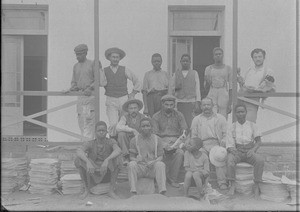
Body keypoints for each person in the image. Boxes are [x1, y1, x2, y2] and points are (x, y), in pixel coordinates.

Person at [99, 47, 142, 137]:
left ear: (120, 58)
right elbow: (102, 83)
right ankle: (113, 143)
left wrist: (133, 93)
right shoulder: (105, 70)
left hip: (123, 98)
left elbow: (137, 81)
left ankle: (124, 142)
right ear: (109, 58)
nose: (115, 59)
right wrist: (99, 70)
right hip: (111, 99)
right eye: (113, 57)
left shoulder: (124, 69)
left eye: (117, 57)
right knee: (113, 124)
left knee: (123, 122)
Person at [74, 121, 122, 199]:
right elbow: (79, 150)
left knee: (118, 159)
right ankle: (86, 190)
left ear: (107, 132)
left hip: (106, 170)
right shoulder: (90, 143)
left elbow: (118, 150)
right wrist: (88, 161)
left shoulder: (111, 141)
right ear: (95, 132)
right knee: (78, 160)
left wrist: (107, 160)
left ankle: (111, 191)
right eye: (99, 130)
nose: (101, 132)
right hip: (93, 169)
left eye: (103, 130)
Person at [226, 104, 264, 199]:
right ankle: (232, 184)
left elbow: (258, 142)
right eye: (238, 112)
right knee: (230, 161)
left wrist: (253, 150)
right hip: (237, 151)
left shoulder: (252, 125)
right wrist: (232, 150)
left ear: (246, 113)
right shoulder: (232, 127)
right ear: (235, 114)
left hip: (249, 150)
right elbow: (229, 143)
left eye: (242, 111)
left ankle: (256, 185)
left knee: (260, 160)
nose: (240, 114)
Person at [190, 97, 228, 190]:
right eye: (204, 105)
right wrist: (197, 147)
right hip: (202, 144)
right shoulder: (196, 119)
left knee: (220, 156)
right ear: (201, 106)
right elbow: (193, 136)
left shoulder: (220, 118)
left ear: (213, 106)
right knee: (201, 157)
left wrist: (222, 143)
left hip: (216, 143)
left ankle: (222, 182)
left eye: (208, 105)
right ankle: (203, 184)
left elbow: (226, 134)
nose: (206, 107)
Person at [152, 94, 188, 188]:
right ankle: (158, 179)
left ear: (174, 105)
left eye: (171, 105)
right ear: (162, 104)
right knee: (157, 153)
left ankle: (172, 179)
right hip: (161, 141)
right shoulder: (156, 116)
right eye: (166, 104)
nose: (169, 107)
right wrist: (164, 145)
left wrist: (180, 140)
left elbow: (184, 130)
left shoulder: (179, 115)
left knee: (180, 153)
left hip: (176, 140)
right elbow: (155, 134)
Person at [66, 44, 101, 140]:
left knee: (89, 120)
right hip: (80, 96)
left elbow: (98, 79)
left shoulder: (92, 64)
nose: (77, 57)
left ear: (85, 53)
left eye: (80, 54)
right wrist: (71, 89)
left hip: (90, 96)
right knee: (81, 119)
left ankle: (89, 145)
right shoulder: (76, 66)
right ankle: (84, 144)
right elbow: (74, 82)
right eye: (76, 54)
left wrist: (90, 87)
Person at [128, 117, 167, 195]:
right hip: (140, 167)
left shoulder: (157, 139)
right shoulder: (134, 140)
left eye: (148, 126)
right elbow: (131, 157)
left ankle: (162, 191)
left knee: (161, 164)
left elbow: (160, 157)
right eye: (143, 126)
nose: (145, 128)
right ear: (140, 128)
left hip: (152, 168)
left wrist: (154, 161)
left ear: (151, 127)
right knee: (131, 164)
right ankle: (133, 191)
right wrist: (136, 160)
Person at [237, 48, 275, 122]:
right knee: (240, 123)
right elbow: (244, 85)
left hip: (253, 100)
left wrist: (257, 90)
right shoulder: (249, 70)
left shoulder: (268, 71)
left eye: (260, 57)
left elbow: (271, 89)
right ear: (252, 58)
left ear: (264, 57)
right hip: (241, 99)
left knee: (249, 123)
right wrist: (240, 81)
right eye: (255, 57)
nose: (258, 59)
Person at [173, 54, 201, 128]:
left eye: (187, 61)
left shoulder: (194, 73)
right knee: (180, 122)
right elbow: (172, 89)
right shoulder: (176, 74)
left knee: (190, 122)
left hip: (191, 101)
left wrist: (197, 102)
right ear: (180, 62)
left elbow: (197, 88)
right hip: (179, 101)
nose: (185, 63)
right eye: (183, 61)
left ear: (190, 62)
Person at [204, 47, 232, 119]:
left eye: (220, 54)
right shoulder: (208, 68)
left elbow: (231, 86)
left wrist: (230, 103)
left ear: (222, 55)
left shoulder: (228, 68)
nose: (218, 56)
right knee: (212, 115)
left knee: (223, 116)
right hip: (212, 91)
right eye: (216, 54)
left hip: (223, 92)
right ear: (213, 56)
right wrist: (207, 81)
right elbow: (206, 87)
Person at [116, 99, 145, 164]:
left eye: (135, 108)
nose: (133, 110)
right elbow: (118, 127)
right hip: (128, 141)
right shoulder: (125, 117)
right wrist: (132, 130)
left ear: (138, 109)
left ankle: (141, 156)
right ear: (128, 110)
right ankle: (126, 156)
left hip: (140, 140)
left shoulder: (143, 117)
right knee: (121, 134)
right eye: (131, 108)